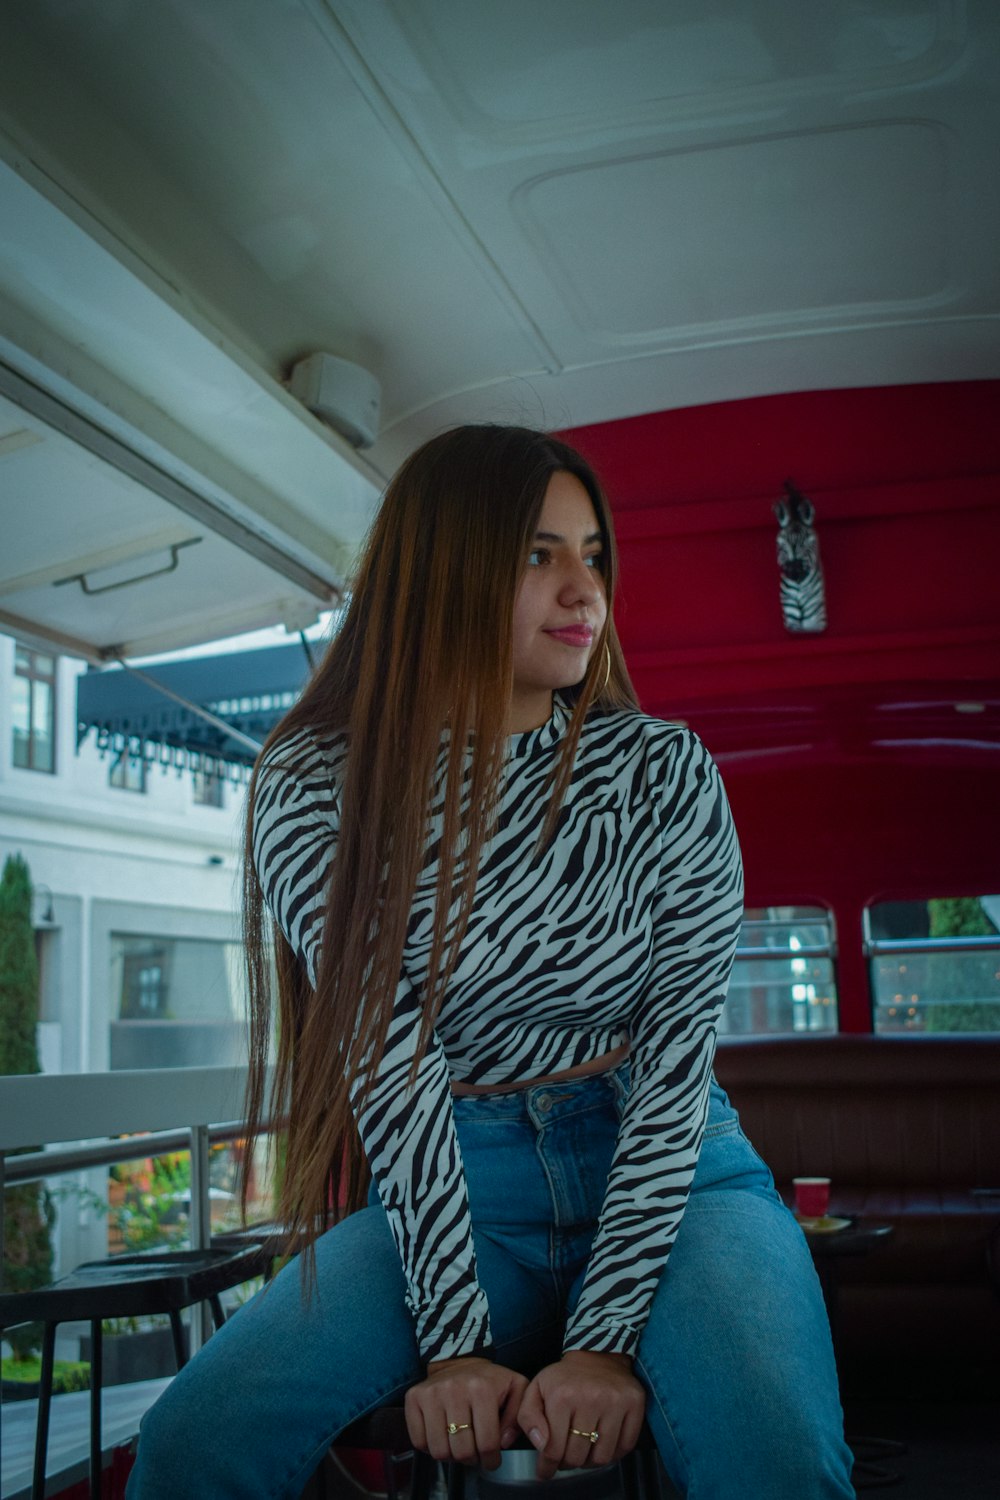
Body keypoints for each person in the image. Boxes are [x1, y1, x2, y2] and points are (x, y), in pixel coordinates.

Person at [128, 425, 855, 1498]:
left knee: (778, 1457)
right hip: (452, 1184)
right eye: (538, 552)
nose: (584, 588)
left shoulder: (663, 770)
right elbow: (387, 1058)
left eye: (593, 553)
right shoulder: (311, 783)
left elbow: (673, 1061)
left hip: (679, 1175)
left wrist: (604, 1340)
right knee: (194, 1443)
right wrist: (455, 1337)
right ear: (442, 563)